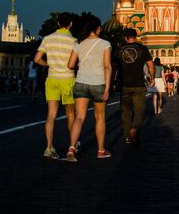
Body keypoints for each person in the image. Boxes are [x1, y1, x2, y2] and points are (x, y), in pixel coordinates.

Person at [66, 15, 113, 161]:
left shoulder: (79, 44)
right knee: (100, 117)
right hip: (98, 83)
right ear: (98, 28)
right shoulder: (105, 44)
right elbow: (107, 66)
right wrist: (107, 88)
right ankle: (100, 150)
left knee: (79, 117)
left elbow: (70, 65)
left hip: (81, 83)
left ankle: (72, 148)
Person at [34, 12, 77, 159]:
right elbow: (75, 62)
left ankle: (49, 147)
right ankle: (72, 145)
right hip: (68, 79)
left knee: (51, 115)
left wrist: (48, 64)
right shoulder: (74, 41)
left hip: (52, 79)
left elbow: (37, 59)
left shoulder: (47, 39)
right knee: (70, 114)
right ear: (70, 24)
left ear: (58, 23)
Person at [114, 28, 155, 146]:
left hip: (124, 85)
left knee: (126, 112)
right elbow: (151, 65)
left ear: (125, 38)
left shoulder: (119, 50)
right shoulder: (142, 49)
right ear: (136, 37)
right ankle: (134, 129)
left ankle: (127, 136)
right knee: (140, 111)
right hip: (138, 85)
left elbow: (114, 67)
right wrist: (151, 78)